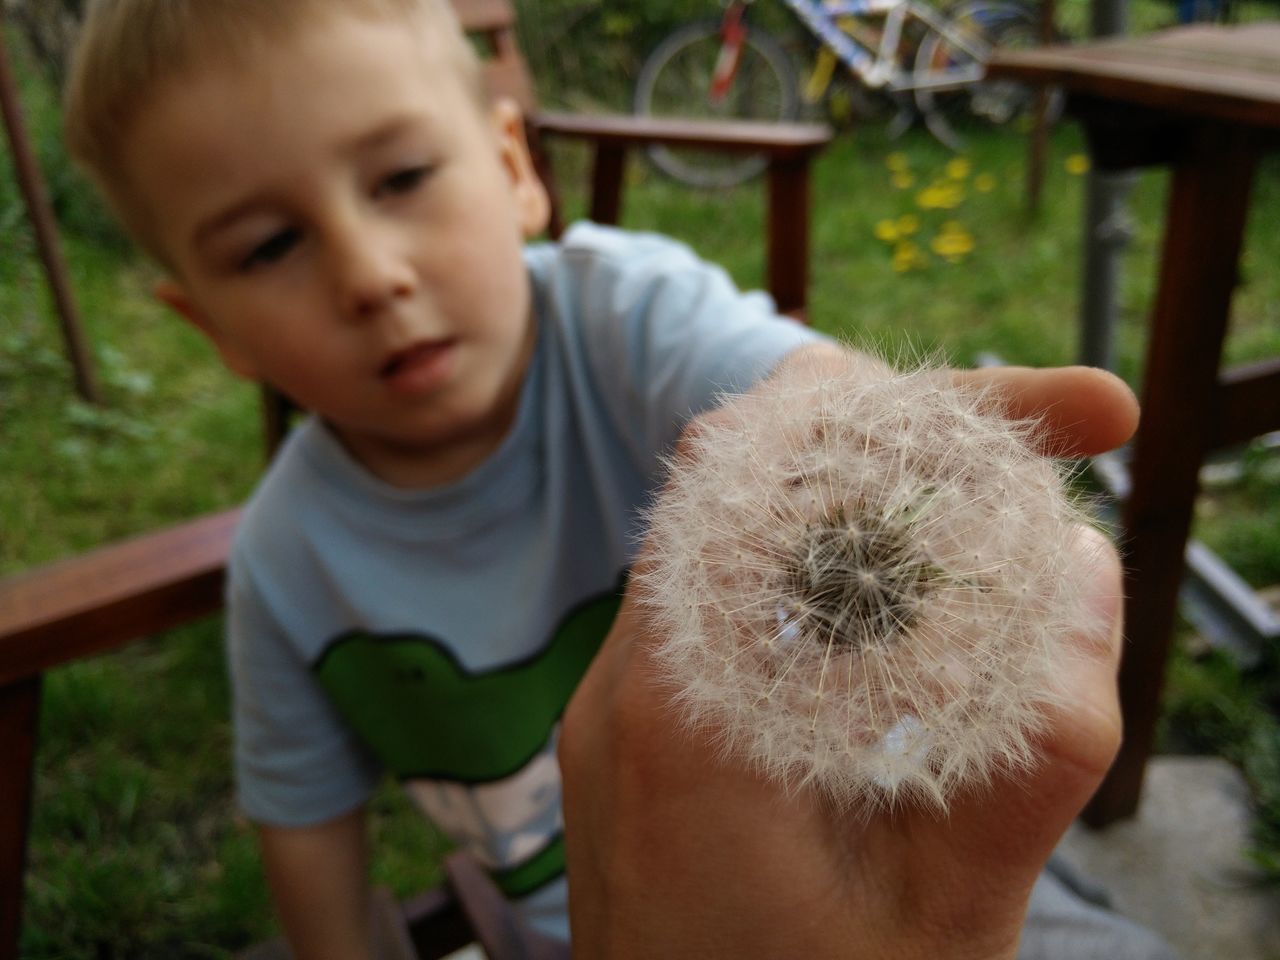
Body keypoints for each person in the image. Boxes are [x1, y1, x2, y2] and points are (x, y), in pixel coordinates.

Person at [62, 2, 1177, 957]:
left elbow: (803, 401)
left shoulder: (623, 315)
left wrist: (874, 443)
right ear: (211, 327)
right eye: (267, 246)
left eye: (400, 178)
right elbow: (310, 852)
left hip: (873, 829)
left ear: (513, 169)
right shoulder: (285, 568)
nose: (369, 274)